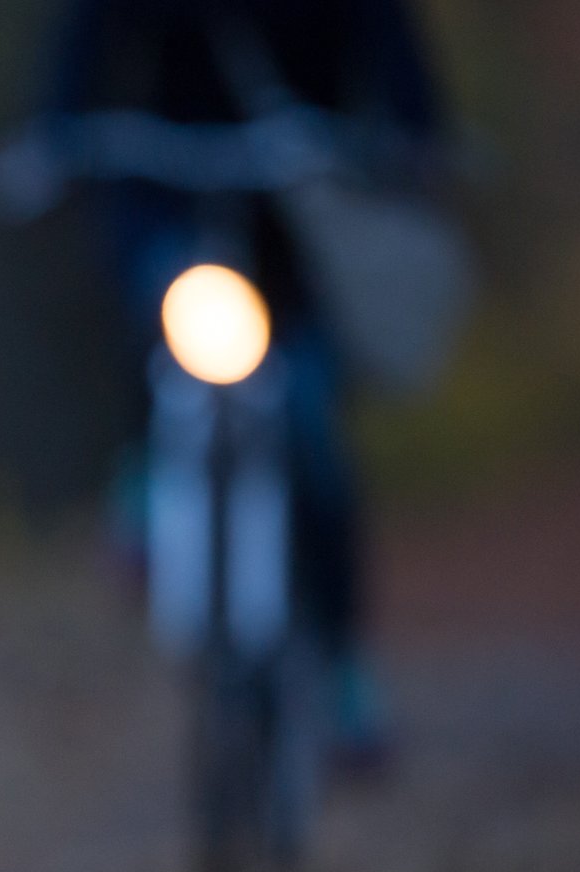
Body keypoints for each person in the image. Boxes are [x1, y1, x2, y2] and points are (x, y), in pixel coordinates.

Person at [34, 0, 445, 768]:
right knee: (155, 315)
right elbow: (84, 33)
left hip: (303, 224)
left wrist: (411, 133)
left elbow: (394, 49)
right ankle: (143, 478)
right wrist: (55, 131)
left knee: (313, 431)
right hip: (167, 190)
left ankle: (346, 665)